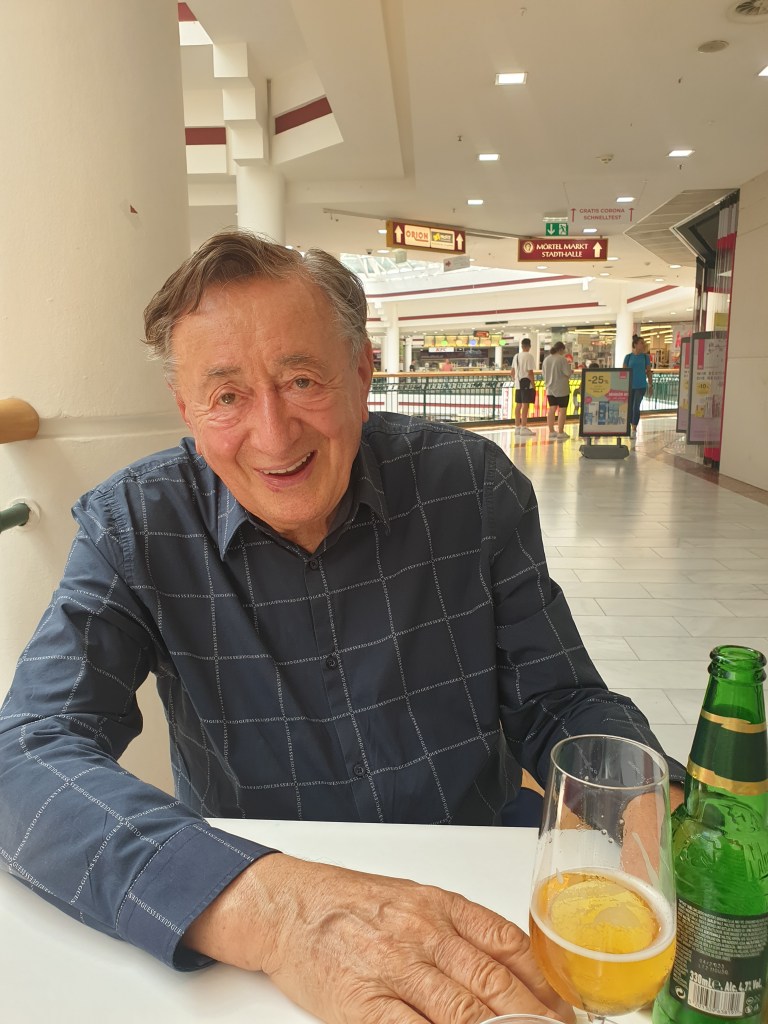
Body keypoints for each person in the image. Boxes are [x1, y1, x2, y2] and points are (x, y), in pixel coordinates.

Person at [0, 231, 683, 1024]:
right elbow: (24, 755)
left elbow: (560, 701)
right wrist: (276, 911)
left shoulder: (470, 487)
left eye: (302, 380)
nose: (273, 434)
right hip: (259, 927)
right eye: (226, 396)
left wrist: (656, 810)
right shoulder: (134, 528)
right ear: (186, 409)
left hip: (478, 886)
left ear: (362, 372)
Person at [623, 334, 653, 440]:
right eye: (641, 343)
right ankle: (629, 426)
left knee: (636, 406)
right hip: (629, 386)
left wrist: (650, 384)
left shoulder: (645, 357)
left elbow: (648, 371)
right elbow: (624, 372)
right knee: (630, 407)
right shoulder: (628, 357)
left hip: (641, 386)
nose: (643, 345)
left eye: (643, 343)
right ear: (635, 344)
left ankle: (634, 428)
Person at [541, 341, 571, 441]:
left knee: (552, 408)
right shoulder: (562, 359)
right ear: (561, 349)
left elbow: (543, 374)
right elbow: (567, 373)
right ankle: (561, 432)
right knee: (562, 409)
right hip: (562, 388)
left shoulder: (546, 359)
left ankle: (551, 431)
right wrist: (571, 372)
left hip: (549, 388)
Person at [511, 337, 536, 437]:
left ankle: (517, 427)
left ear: (521, 346)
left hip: (518, 384)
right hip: (526, 384)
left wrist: (516, 380)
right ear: (529, 346)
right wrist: (533, 385)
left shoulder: (516, 356)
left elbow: (512, 372)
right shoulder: (529, 356)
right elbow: (530, 373)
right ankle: (524, 427)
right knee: (525, 405)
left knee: (518, 405)